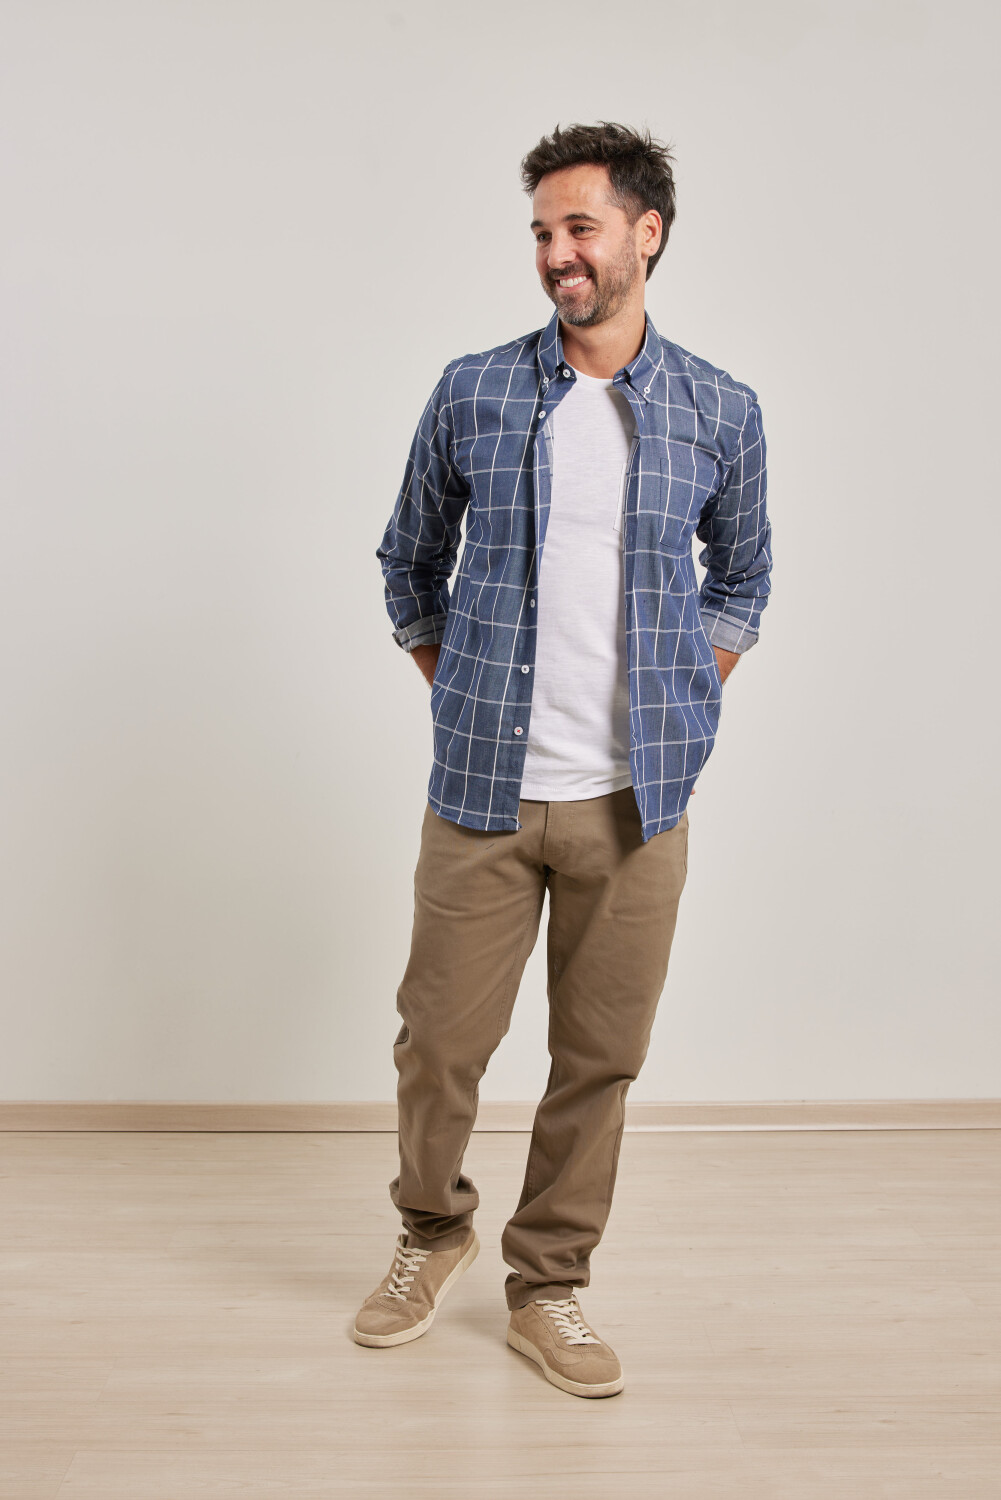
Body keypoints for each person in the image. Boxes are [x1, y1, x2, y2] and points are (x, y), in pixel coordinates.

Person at [357, 121, 772, 1398]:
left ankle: (548, 1283)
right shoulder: (474, 389)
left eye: (578, 227)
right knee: (436, 1045)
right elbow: (406, 560)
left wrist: (680, 701)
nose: (555, 254)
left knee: (597, 1061)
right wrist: (459, 690)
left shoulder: (718, 408)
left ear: (646, 233)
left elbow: (742, 580)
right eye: (542, 231)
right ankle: (431, 1229)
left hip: (636, 804)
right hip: (482, 794)